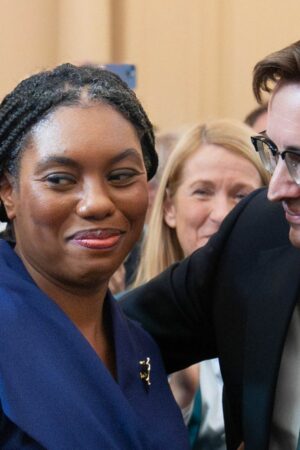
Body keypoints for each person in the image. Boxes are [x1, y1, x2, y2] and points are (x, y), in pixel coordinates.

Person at [121, 40, 300, 450]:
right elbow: (115, 331)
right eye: (273, 153)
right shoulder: (256, 233)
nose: (276, 189)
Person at [0, 63, 189, 449]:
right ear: (8, 192)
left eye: (121, 176)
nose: (97, 203)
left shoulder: (139, 343)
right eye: (60, 180)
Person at [133, 118, 269, 449]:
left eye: (242, 195)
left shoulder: (282, 324)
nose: (221, 213)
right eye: (202, 192)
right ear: (168, 208)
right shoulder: (123, 321)